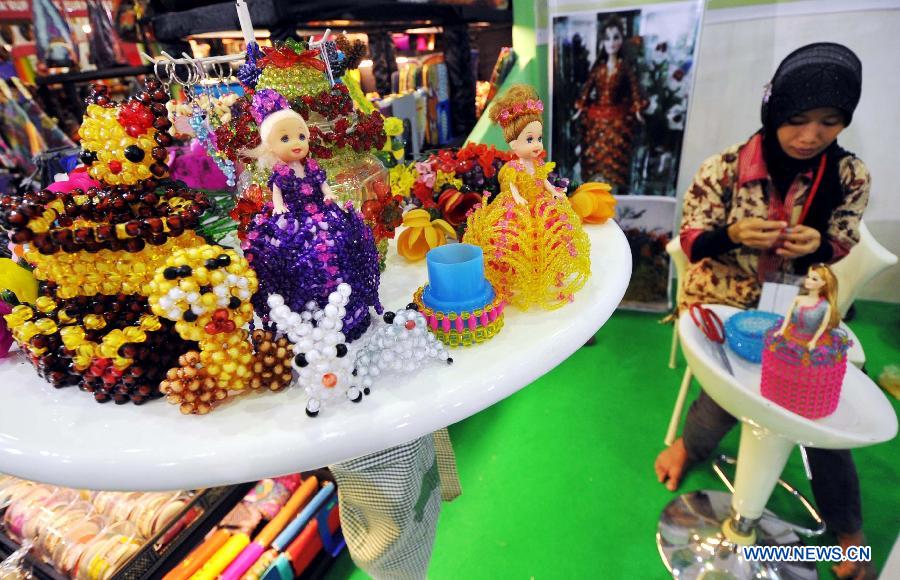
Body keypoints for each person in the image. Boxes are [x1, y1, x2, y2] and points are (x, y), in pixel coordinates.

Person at [654, 43, 872, 579]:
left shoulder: (849, 175)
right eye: (796, 120)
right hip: (722, 299)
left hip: (798, 303)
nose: (810, 136)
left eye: (830, 122)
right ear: (774, 113)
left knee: (817, 403)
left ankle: (847, 530)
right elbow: (689, 241)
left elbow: (843, 241)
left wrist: (817, 245)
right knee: (732, 385)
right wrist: (730, 234)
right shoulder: (725, 168)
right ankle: (690, 444)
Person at [242, 89, 381, 341]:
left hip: (322, 211)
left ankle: (347, 303)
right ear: (270, 147)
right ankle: (308, 315)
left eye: (301, 136)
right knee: (297, 253)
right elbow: (277, 194)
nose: (296, 143)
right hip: (295, 219)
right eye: (285, 139)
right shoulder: (281, 173)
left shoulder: (312, 167)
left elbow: (322, 185)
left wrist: (328, 195)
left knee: (342, 241)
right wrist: (278, 207)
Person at [464, 84, 590, 310]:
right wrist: (518, 198)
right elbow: (511, 186)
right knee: (515, 241)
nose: (537, 145)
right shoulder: (514, 167)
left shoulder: (538, 164)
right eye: (530, 139)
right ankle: (515, 275)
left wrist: (553, 191)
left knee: (549, 237)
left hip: (540, 206)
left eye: (538, 138)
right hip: (519, 209)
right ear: (513, 143)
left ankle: (546, 271)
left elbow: (543, 181)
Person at [573, 16, 646, 190]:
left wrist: (637, 109)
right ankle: (595, 183)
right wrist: (580, 107)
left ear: (622, 39)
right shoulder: (598, 69)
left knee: (616, 153)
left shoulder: (625, 67)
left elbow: (634, 88)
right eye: (607, 38)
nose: (612, 43)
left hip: (618, 116)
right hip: (596, 116)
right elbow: (587, 88)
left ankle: (614, 185)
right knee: (595, 153)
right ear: (602, 42)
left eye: (616, 37)